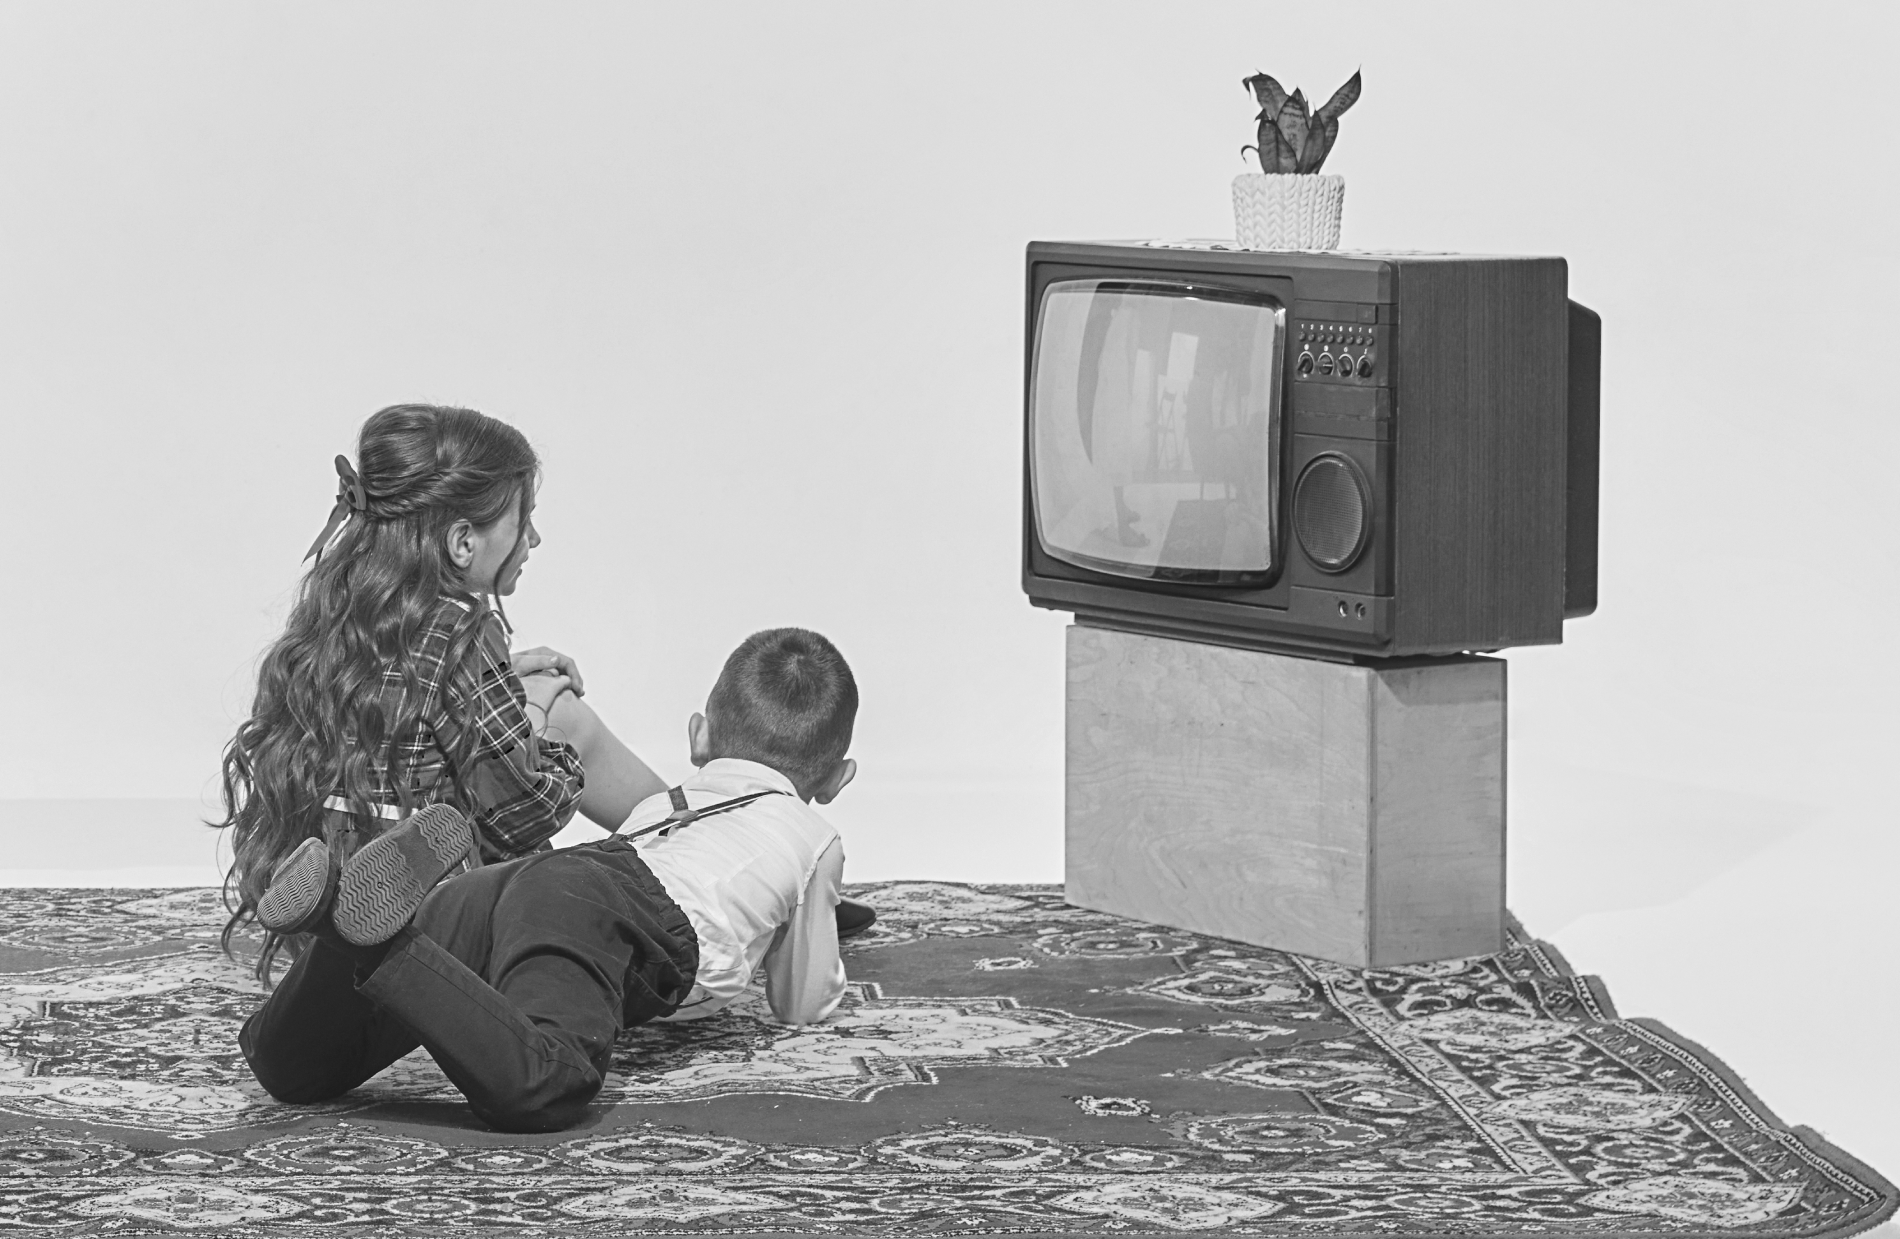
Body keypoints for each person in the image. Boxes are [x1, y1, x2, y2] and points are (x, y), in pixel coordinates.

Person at [237, 627, 861, 1132]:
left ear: (699, 737)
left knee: (293, 1070)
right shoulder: (813, 839)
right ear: (835, 780)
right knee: (545, 1086)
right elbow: (801, 1003)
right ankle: (384, 947)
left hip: (523, 880)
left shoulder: (668, 804)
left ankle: (333, 921)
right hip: (601, 910)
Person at [213, 403, 670, 981]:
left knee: (535, 695)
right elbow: (521, 815)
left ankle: (340, 927)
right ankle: (702, 833)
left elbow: (408, 700)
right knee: (567, 716)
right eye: (521, 518)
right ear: (462, 542)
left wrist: (506, 679)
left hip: (339, 878)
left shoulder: (346, 605)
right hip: (437, 910)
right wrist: (539, 711)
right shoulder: (464, 631)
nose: (534, 537)